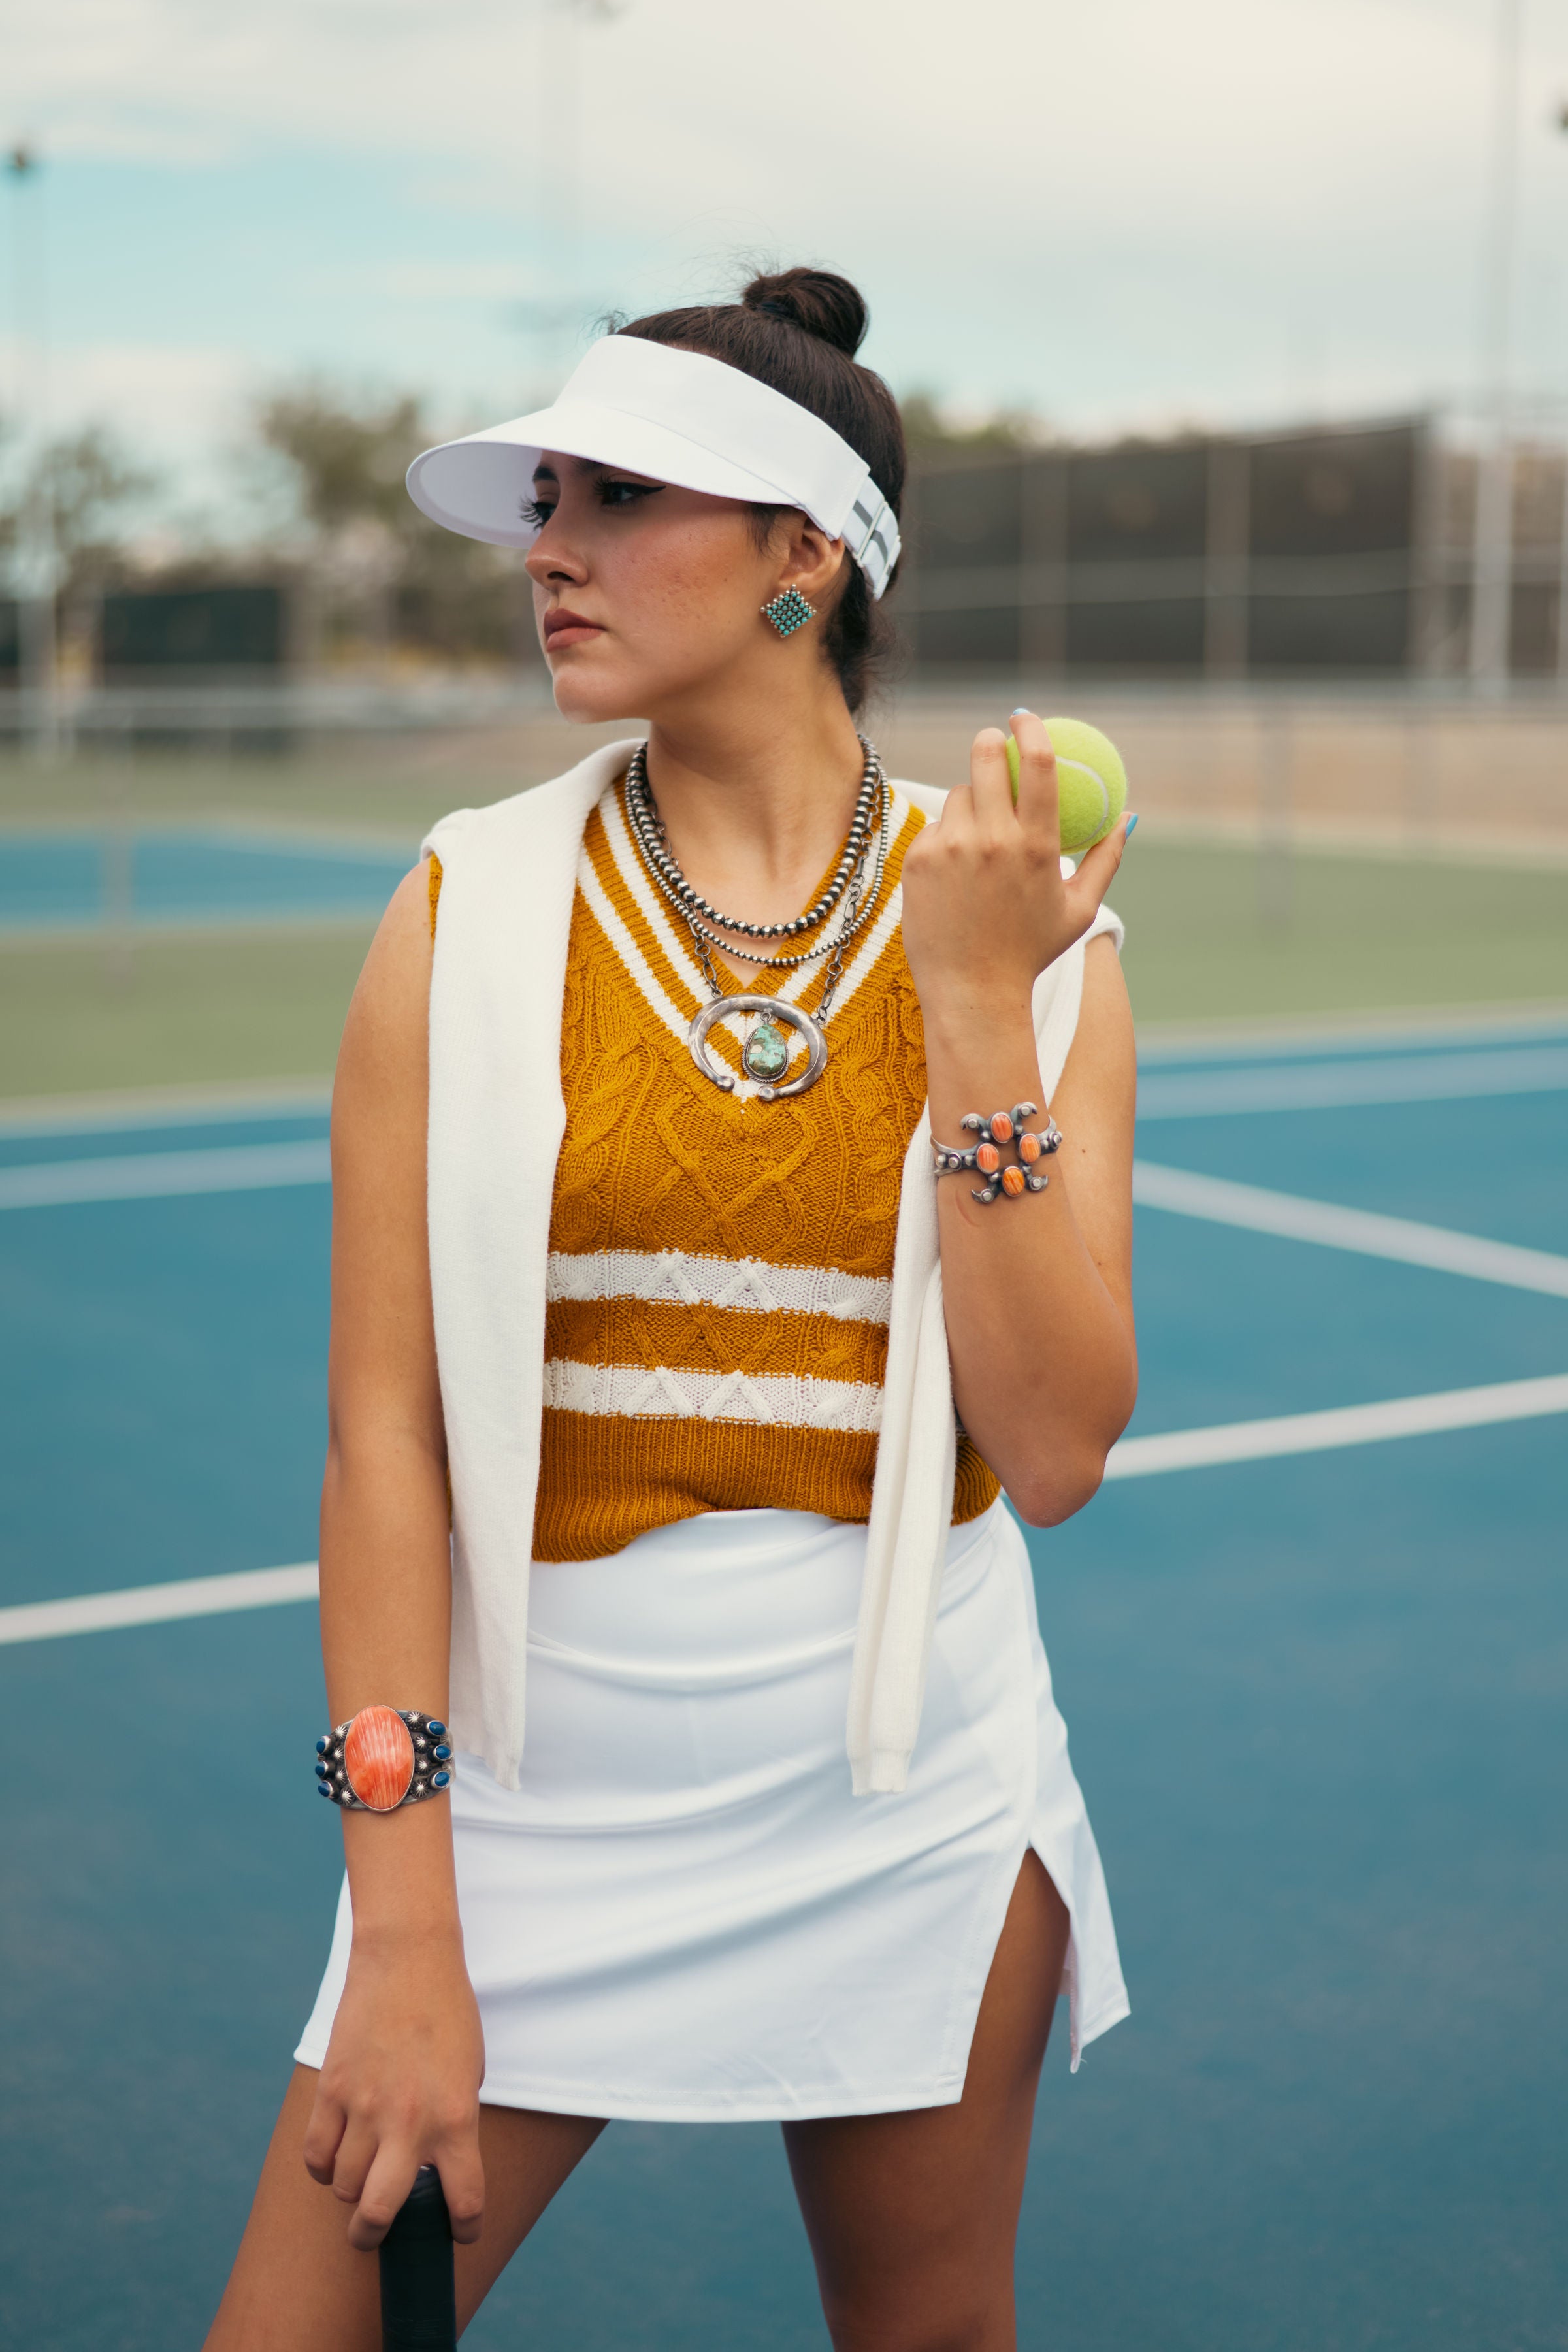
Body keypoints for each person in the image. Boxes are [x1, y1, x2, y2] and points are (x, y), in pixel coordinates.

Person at [206, 265, 1137, 2352]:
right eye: (549, 499)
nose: (549, 549)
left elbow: (1059, 1449)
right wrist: (408, 1931)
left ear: (804, 556)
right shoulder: (460, 906)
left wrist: (978, 1008)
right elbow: (386, 1441)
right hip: (528, 1804)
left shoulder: (1030, 935)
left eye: (618, 498)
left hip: (911, 1798)